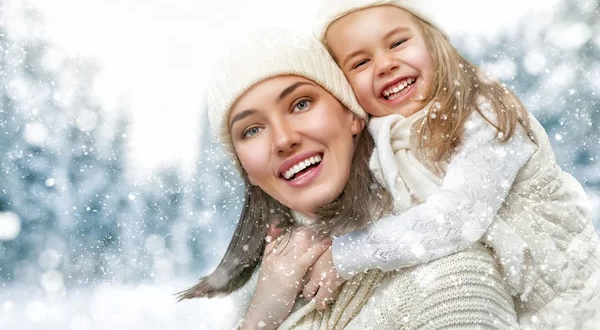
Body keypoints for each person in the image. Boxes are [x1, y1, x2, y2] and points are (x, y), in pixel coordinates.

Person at [310, 0, 600, 329]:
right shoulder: (384, 143)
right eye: (361, 62)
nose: (384, 64)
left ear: (434, 42)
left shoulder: (485, 113)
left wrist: (347, 255)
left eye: (398, 42)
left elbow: (457, 219)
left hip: (570, 304)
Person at [178, 29, 519, 329]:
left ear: (352, 115)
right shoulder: (268, 287)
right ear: (246, 170)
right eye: (252, 129)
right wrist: (258, 321)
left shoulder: (450, 283)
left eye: (300, 104)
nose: (283, 140)